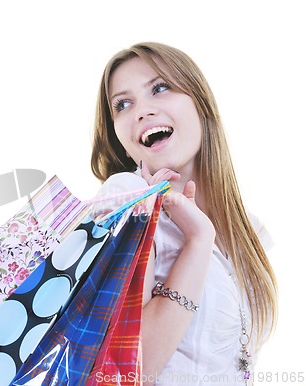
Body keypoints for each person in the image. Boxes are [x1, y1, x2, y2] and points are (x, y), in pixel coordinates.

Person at [90, 42, 278, 386]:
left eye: (160, 88)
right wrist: (197, 242)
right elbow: (128, 371)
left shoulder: (248, 228)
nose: (142, 111)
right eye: (123, 104)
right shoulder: (127, 200)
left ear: (200, 102)